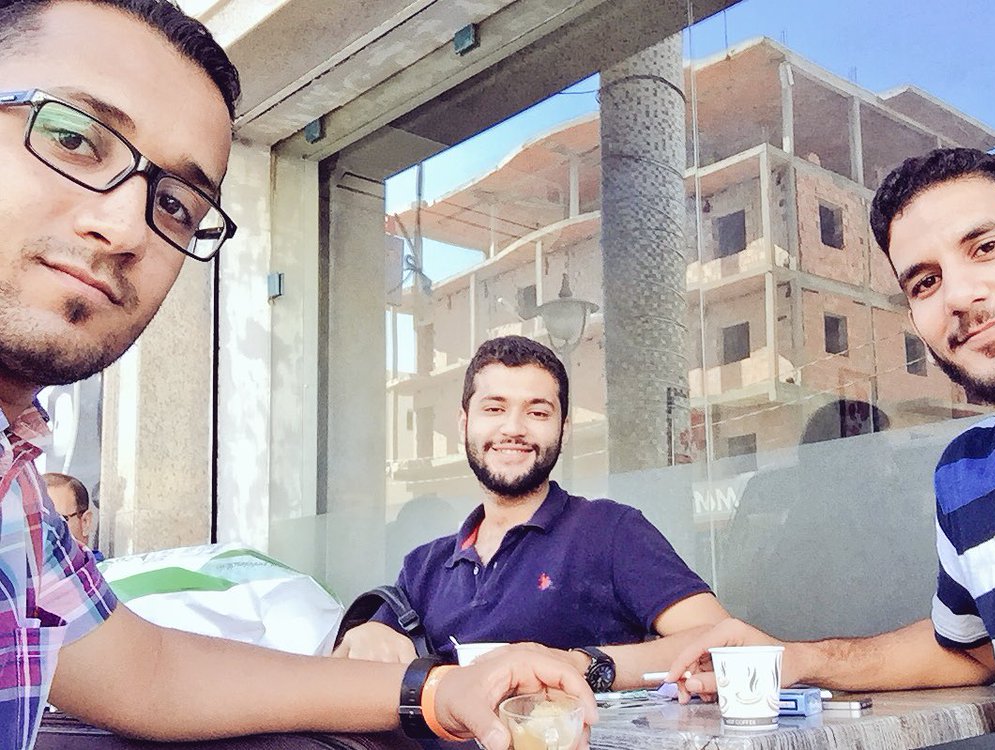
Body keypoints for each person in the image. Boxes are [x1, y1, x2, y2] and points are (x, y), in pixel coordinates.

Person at [0, 2, 595, 749]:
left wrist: (440, 689)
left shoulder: (15, 489)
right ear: (461, 422)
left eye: (175, 204)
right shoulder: (429, 563)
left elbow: (145, 672)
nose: (122, 227)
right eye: (73, 139)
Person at [667, 148, 995, 749]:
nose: (960, 295)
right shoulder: (968, 474)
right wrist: (795, 658)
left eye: (986, 247)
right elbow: (968, 650)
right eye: (925, 282)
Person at [336, 335, 729, 690]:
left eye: (538, 413)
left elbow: (719, 643)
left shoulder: (610, 532)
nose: (513, 428)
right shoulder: (423, 568)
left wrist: (578, 665)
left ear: (564, 429)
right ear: (464, 423)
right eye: (494, 408)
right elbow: (345, 675)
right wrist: (364, 636)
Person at [44, 471, 103, 560]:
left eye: (57, 522)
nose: (45, 532)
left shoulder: (106, 569)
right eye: (36, 523)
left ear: (85, 522)